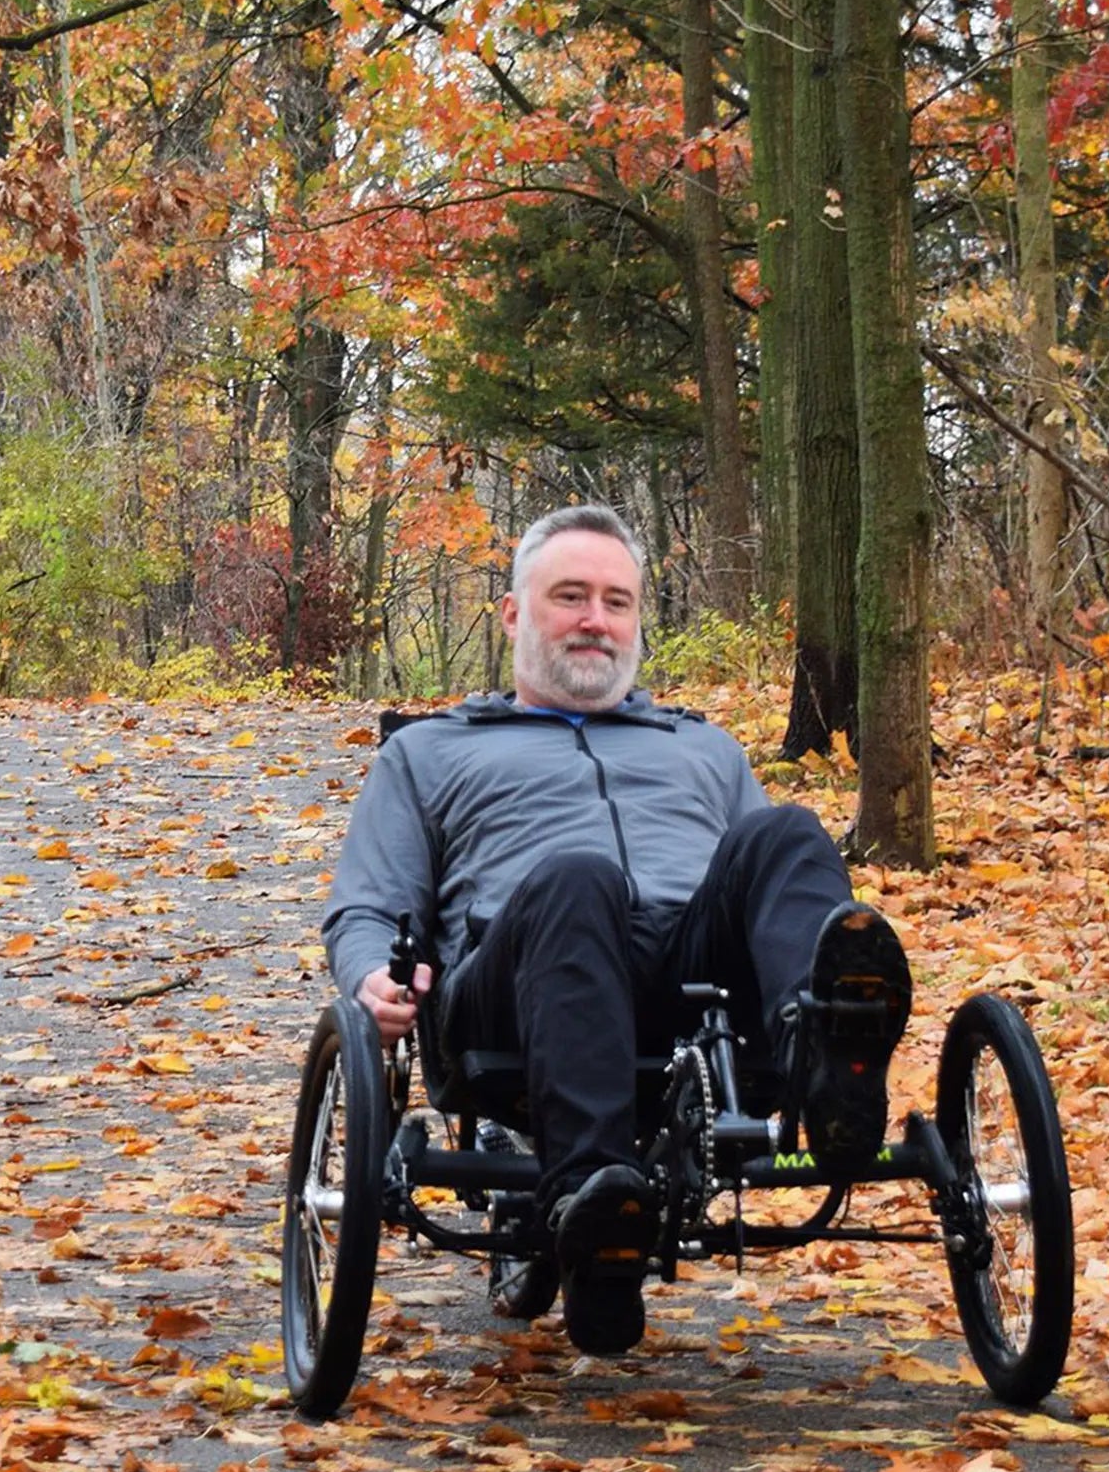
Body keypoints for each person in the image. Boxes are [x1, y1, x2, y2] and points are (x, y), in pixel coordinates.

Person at [322, 503, 911, 1356]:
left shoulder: (701, 748)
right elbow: (368, 904)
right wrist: (372, 975)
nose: (596, 619)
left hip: (694, 987)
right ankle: (594, 1206)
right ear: (516, 614)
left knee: (787, 833)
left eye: (616, 601)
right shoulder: (430, 753)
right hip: (519, 984)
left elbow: (762, 891)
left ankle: (828, 1062)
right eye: (570, 596)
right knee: (575, 875)